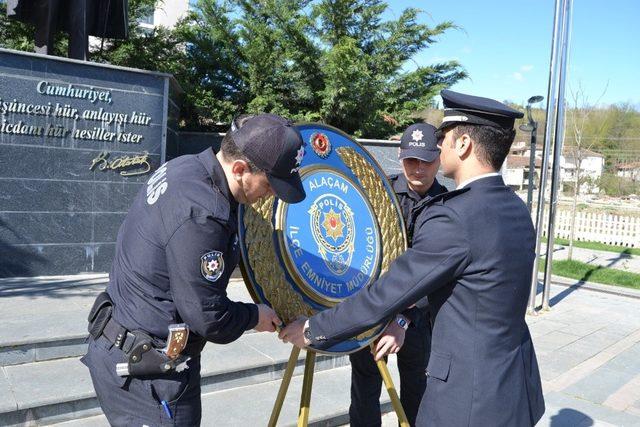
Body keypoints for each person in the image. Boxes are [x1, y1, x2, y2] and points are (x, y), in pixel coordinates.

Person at [280, 90, 545, 426]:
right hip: (514, 390)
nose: (440, 146)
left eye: (444, 138)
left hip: (467, 401)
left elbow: (387, 293)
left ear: (463, 144)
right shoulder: (515, 207)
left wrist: (314, 328)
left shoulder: (455, 217)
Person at [82, 113, 306, 426]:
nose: (270, 195)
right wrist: (255, 316)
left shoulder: (186, 167)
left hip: (125, 342)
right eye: (269, 185)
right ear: (240, 169)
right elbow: (209, 318)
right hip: (148, 374)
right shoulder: (203, 214)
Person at [348, 123, 447, 427]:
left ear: (438, 160)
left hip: (419, 319)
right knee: (364, 392)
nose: (417, 169)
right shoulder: (382, 196)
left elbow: (440, 275)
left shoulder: (449, 206)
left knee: (417, 398)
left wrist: (403, 320)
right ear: (401, 158)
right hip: (375, 311)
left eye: (425, 161)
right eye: (410, 161)